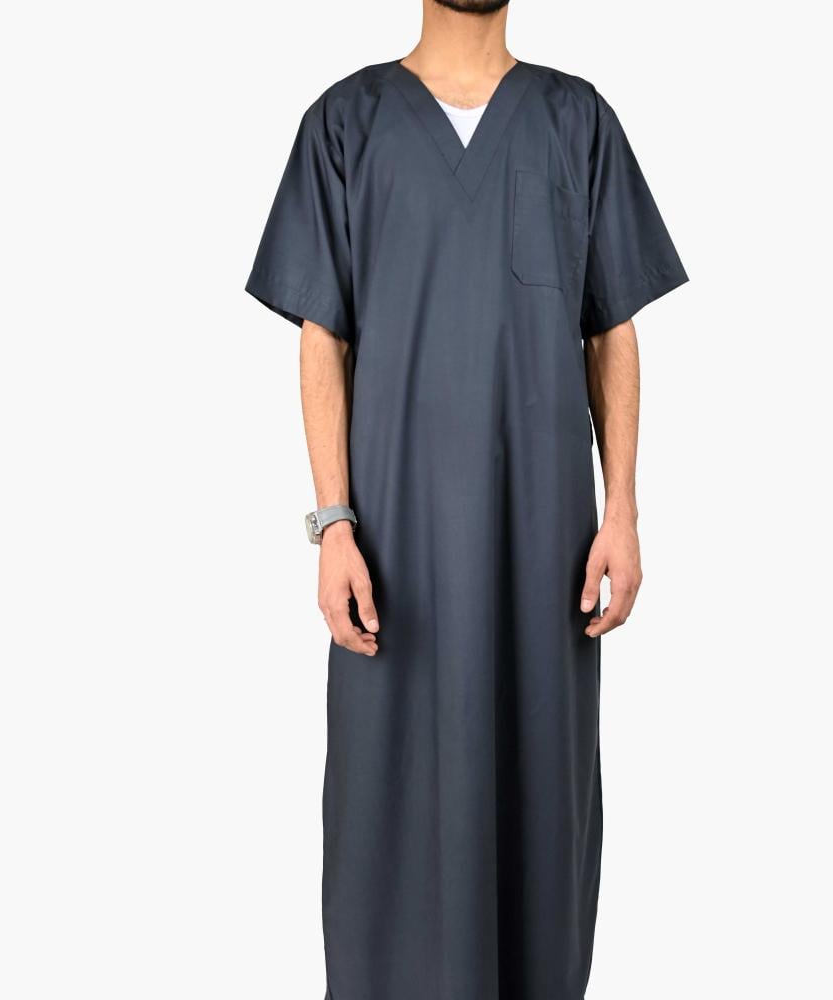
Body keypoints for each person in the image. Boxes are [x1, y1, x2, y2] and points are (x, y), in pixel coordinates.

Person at [246, 0, 687, 996]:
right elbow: (322, 337)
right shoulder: (346, 125)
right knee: (384, 801)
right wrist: (332, 524)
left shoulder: (576, 122)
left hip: (544, 549)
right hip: (392, 550)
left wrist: (621, 511)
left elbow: (610, 327)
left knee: (541, 803)